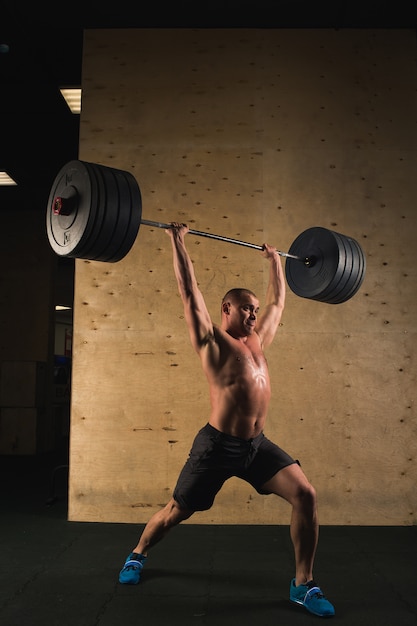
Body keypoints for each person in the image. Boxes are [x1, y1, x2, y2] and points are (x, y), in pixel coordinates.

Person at [118, 222, 335, 618]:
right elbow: (189, 293)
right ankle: (138, 554)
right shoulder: (211, 342)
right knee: (176, 511)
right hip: (216, 446)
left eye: (254, 308)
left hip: (257, 447)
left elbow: (278, 304)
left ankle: (303, 585)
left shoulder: (258, 341)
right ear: (226, 309)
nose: (253, 313)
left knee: (306, 495)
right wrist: (177, 242)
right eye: (245, 308)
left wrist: (274, 262)